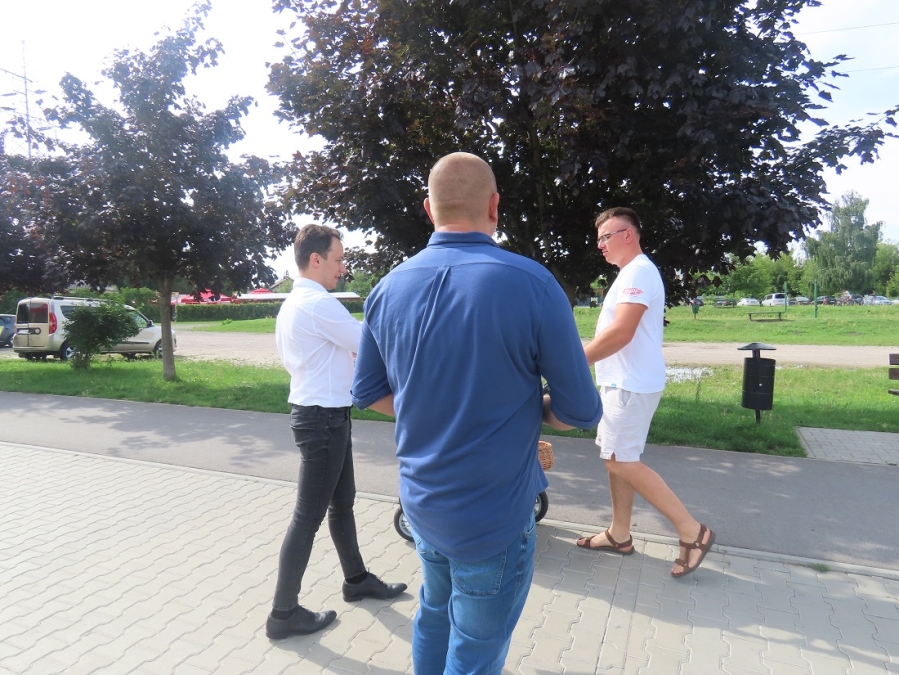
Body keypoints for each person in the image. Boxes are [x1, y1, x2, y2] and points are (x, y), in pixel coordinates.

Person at [352, 152, 602, 674]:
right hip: (495, 517)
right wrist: (533, 410)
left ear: (429, 209)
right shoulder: (532, 283)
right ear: (494, 206)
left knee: (434, 614)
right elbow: (580, 410)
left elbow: (369, 391)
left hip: (422, 503)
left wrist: (432, 409)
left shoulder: (387, 287)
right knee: (475, 653)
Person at [266, 224, 407, 640]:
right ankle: (283, 614)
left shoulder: (294, 304)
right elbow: (371, 344)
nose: (343, 268)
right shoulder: (317, 304)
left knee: (341, 504)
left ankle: (356, 580)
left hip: (324, 416)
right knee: (307, 516)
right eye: (339, 259)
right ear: (316, 259)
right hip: (322, 420)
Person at [577, 207, 715, 578]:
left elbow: (622, 332)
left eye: (606, 237)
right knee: (616, 456)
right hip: (623, 382)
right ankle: (619, 534)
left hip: (630, 384)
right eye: (598, 239)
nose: (600, 245)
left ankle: (692, 532)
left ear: (628, 234)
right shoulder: (630, 273)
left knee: (620, 461)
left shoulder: (638, 271)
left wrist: (573, 362)